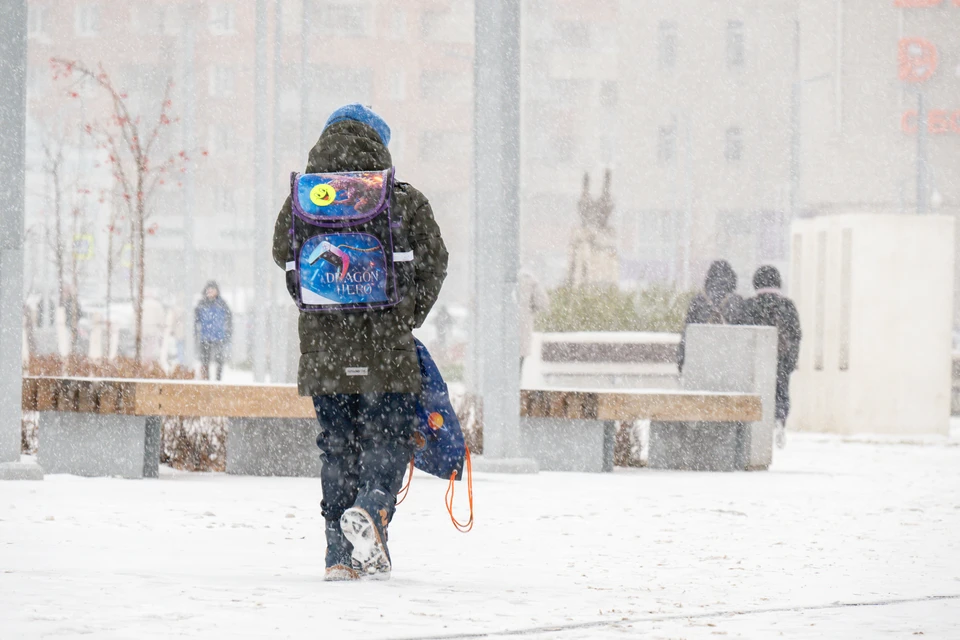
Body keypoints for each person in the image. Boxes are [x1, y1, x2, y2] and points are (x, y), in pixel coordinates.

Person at [272, 104, 448, 581]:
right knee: (385, 442)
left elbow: (286, 262)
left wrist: (323, 312)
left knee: (337, 448)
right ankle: (372, 510)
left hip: (326, 356)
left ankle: (338, 555)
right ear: (380, 143)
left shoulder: (302, 200)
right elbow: (436, 260)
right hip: (387, 353)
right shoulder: (401, 200)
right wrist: (406, 315)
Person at [743, 265, 801, 448]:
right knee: (781, 393)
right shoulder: (788, 305)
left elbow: (741, 335)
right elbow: (796, 335)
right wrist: (791, 361)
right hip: (781, 359)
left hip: (756, 362)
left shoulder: (749, 305)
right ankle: (779, 419)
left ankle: (754, 426)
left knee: (756, 393)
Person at [677, 259, 747, 373]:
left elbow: (687, 333)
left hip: (702, 360)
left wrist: (681, 361)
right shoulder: (737, 302)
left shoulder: (698, 300)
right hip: (729, 361)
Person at [194, 281, 232, 381]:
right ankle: (206, 379)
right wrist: (196, 334)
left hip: (219, 337)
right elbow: (196, 321)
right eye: (208, 289)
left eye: (212, 289)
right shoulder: (201, 304)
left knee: (219, 360)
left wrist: (228, 333)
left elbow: (229, 320)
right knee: (205, 360)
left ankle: (218, 380)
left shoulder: (222, 304)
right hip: (205, 337)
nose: (210, 291)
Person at [519, 268, 548, 373]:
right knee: (518, 367)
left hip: (499, 337)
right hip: (521, 331)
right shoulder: (529, 280)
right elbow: (542, 303)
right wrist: (529, 309)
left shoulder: (496, 278)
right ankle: (514, 387)